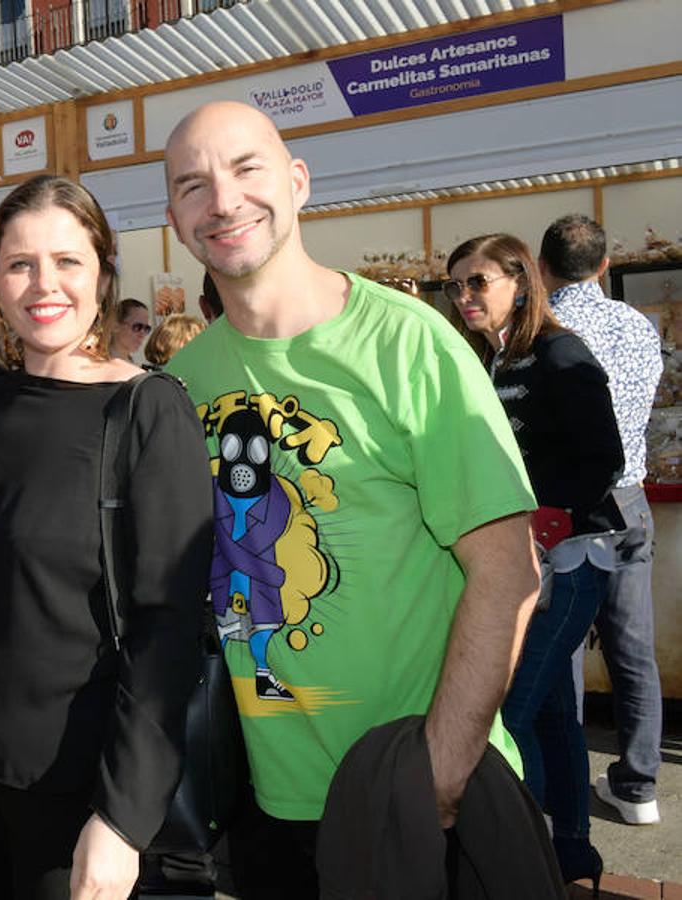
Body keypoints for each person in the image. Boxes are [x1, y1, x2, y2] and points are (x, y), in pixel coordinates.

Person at [162, 102, 540, 898]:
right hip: (269, 810)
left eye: (245, 169)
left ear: (298, 183)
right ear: (175, 219)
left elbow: (508, 572)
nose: (223, 201)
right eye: (193, 185)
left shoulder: (411, 343)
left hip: (422, 794)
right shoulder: (182, 386)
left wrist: (439, 774)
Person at [0, 174, 212, 899]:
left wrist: (120, 821)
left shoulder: (148, 409)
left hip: (76, 791)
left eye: (67, 261)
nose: (42, 284)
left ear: (104, 274)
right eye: (20, 263)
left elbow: (168, 626)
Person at [448, 232, 624, 889]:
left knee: (508, 716)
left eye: (478, 282)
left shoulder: (559, 351)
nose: (464, 296)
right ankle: (569, 857)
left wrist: (549, 519)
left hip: (570, 563)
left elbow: (604, 453)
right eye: (456, 284)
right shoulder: (491, 359)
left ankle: (518, 865)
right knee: (550, 713)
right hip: (529, 565)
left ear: (520, 282)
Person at [539, 214, 665, 827]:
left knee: (559, 643)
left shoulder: (546, 330)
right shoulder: (639, 325)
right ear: (605, 266)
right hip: (631, 497)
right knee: (633, 647)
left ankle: (562, 777)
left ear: (540, 268)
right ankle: (639, 784)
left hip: (567, 504)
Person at [109, 297, 152, 361]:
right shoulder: (98, 362)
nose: (142, 334)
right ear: (116, 326)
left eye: (146, 329)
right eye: (137, 327)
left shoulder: (132, 363)